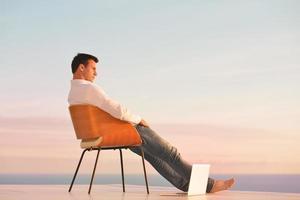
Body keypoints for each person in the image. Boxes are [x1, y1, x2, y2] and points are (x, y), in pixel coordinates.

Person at [67, 53, 235, 193]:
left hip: (106, 134)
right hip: (124, 131)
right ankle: (209, 185)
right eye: (93, 69)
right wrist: (139, 119)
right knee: (170, 152)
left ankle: (187, 185)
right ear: (81, 68)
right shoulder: (89, 89)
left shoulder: (73, 94)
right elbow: (116, 109)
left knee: (155, 157)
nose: (96, 74)